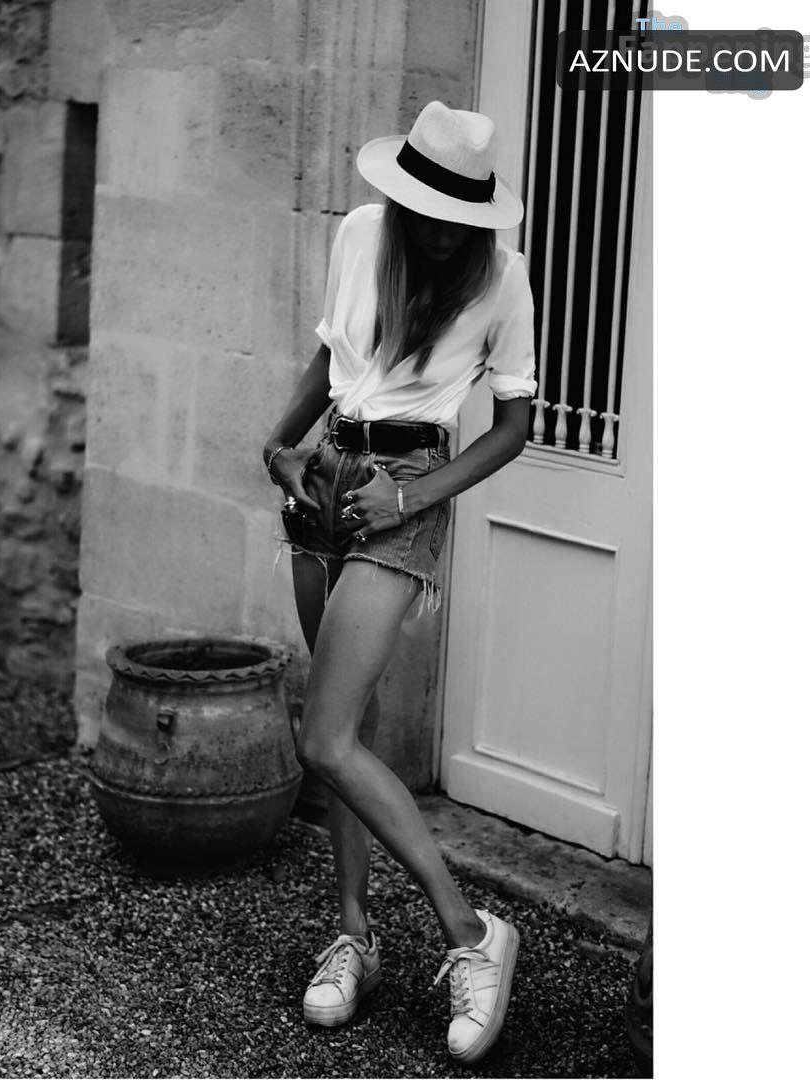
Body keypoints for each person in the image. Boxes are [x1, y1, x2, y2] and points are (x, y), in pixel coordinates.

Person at [261, 101, 537, 1065]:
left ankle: (471, 933)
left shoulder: (503, 278)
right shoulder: (361, 234)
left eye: (455, 217)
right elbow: (331, 355)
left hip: (407, 485)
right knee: (353, 730)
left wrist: (415, 497)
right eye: (425, 211)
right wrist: (279, 442)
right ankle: (354, 936)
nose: (436, 231)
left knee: (323, 736)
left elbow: (514, 426)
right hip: (325, 476)